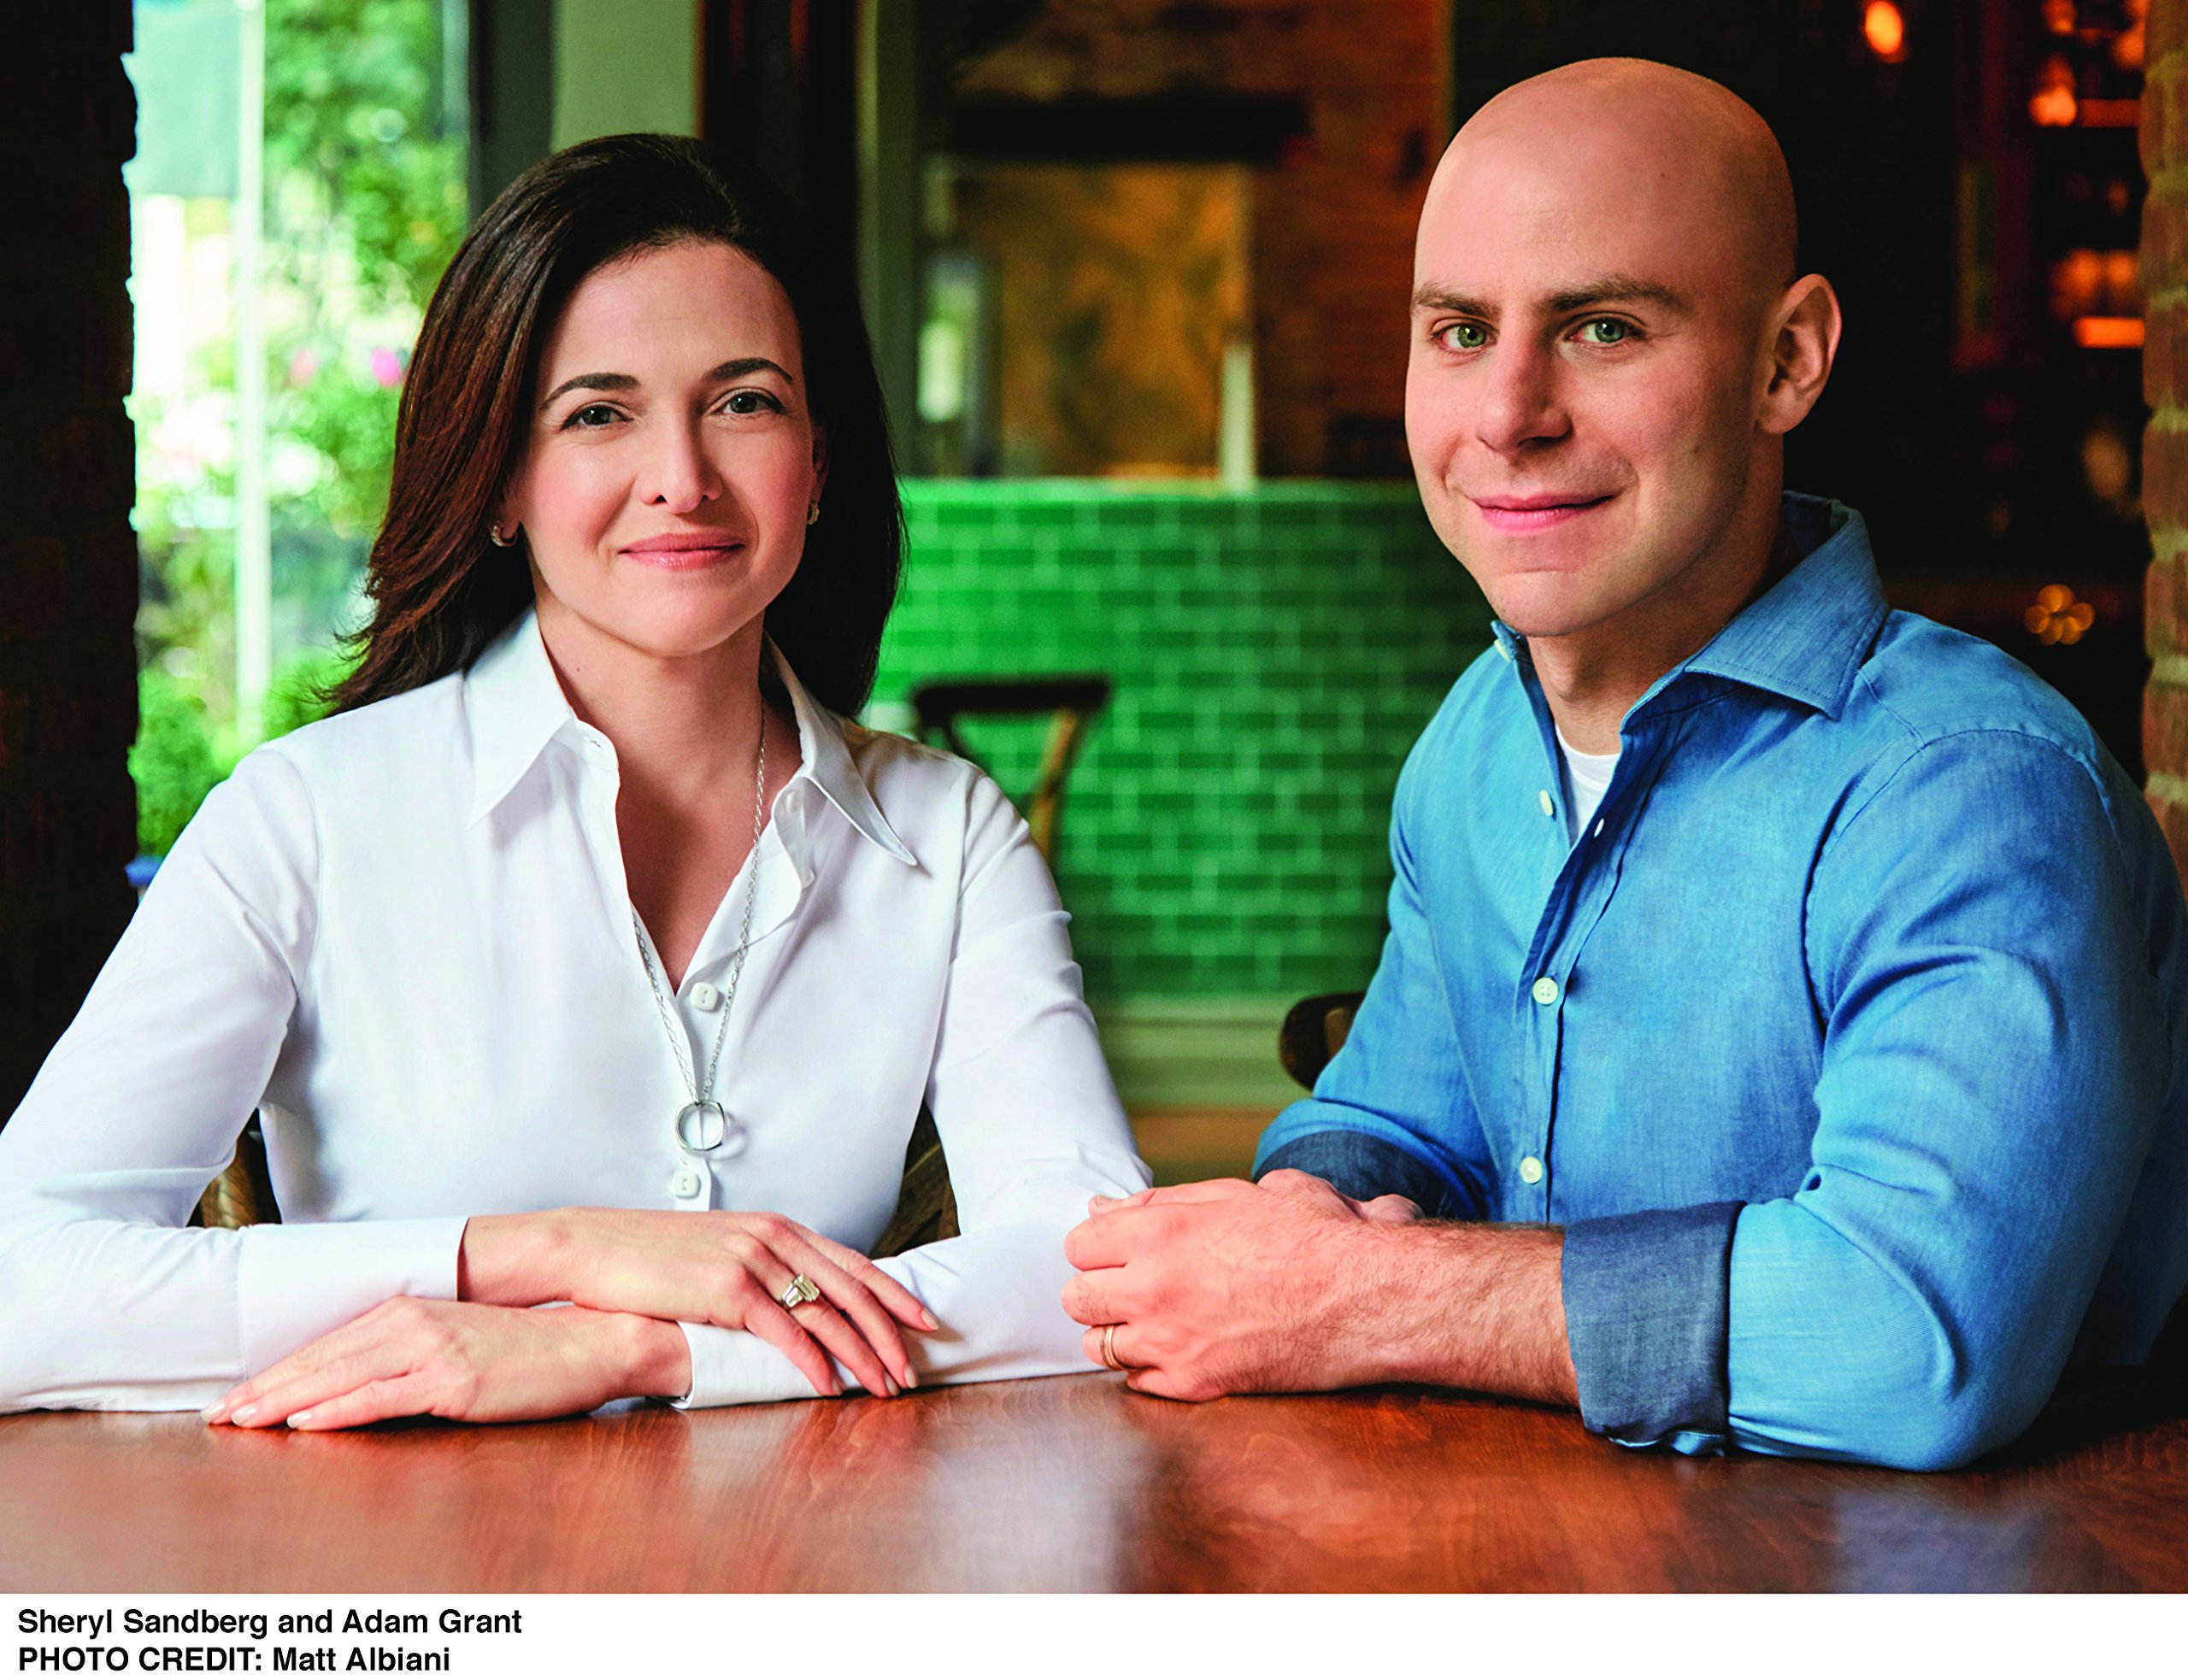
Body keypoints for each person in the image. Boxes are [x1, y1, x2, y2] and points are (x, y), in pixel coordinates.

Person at [1062, 58, 2188, 1470]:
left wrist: (1365, 1293)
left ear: (1787, 361)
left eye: (1601, 328)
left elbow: (1911, 1338)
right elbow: (1392, 1119)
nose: (1508, 413)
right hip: (1548, 1547)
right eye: (1461, 330)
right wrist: (1307, 1215)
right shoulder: (1476, 742)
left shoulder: (1972, 789)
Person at [0, 134, 1147, 1425]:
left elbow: (1098, 1276)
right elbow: (18, 1284)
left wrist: (646, 1352)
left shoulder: (950, 832)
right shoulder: (304, 819)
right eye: (599, 413)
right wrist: (548, 1255)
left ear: (819, 463)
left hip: (812, 1534)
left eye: (746, 403)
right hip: (397, 1544)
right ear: (501, 478)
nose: (683, 479)